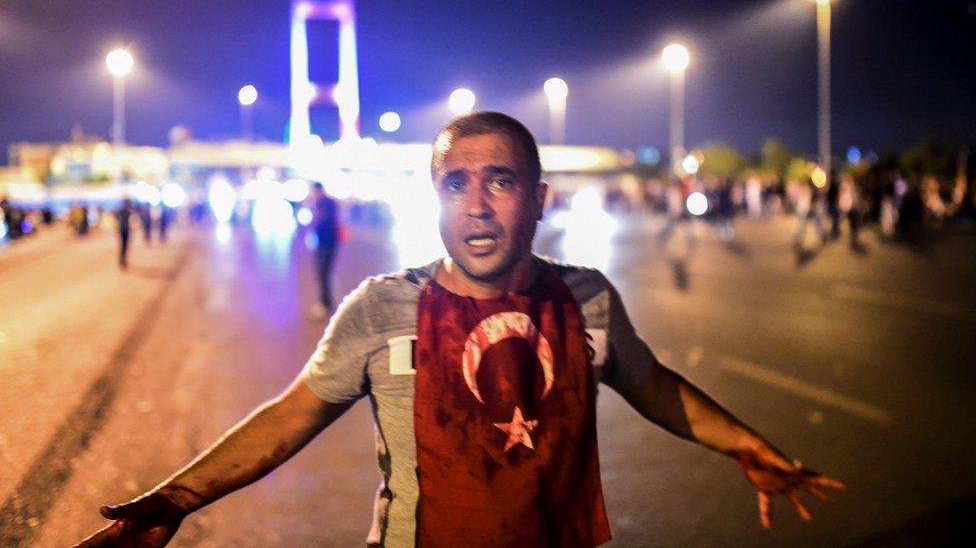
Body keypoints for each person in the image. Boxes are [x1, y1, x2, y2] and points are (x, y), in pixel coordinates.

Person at [74, 112, 842, 548]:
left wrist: (744, 444)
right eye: (456, 184)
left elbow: (653, 386)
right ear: (436, 199)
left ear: (538, 199)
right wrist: (174, 499)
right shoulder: (382, 308)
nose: (476, 204)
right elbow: (287, 419)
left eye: (500, 181)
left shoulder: (589, 300)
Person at [308, 182, 341, 320]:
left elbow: (323, 223)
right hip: (325, 242)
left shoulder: (326, 203)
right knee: (322, 274)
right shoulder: (322, 202)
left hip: (327, 243)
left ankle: (325, 305)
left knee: (323, 273)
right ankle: (326, 303)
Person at [116, 199, 135, 269]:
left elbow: (116, 217)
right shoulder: (128, 211)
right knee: (125, 245)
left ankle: (121, 259)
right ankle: (123, 260)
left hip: (121, 228)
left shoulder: (120, 210)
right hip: (126, 229)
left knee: (122, 245)